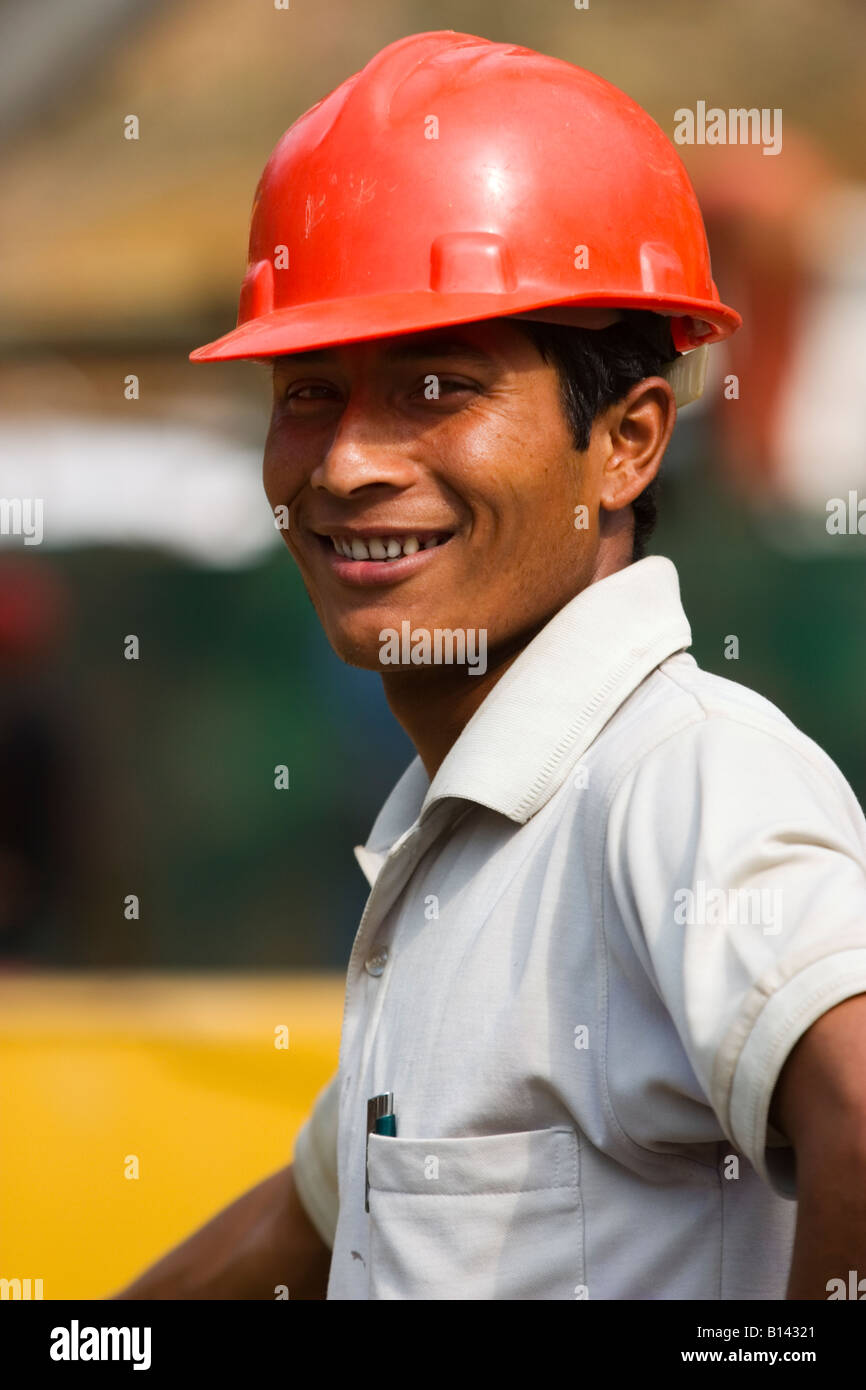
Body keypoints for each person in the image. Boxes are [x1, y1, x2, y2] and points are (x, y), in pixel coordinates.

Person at [114, 31, 866, 1301]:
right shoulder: (459, 831)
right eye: (307, 392)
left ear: (626, 442)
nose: (347, 463)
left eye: (434, 386)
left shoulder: (680, 778)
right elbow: (317, 1214)